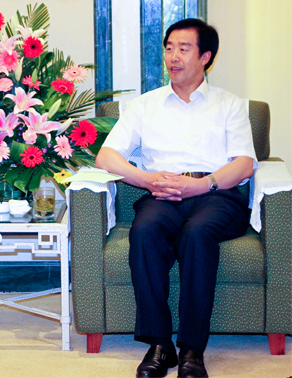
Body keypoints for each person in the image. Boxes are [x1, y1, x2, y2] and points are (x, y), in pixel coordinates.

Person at [96, 19, 256, 378]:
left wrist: (201, 185)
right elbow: (106, 157)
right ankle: (159, 345)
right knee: (145, 231)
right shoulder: (144, 105)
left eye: (184, 49)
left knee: (197, 234)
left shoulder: (229, 105)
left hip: (215, 194)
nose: (173, 57)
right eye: (169, 48)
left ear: (205, 57)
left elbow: (244, 164)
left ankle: (192, 349)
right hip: (161, 194)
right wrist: (148, 179)